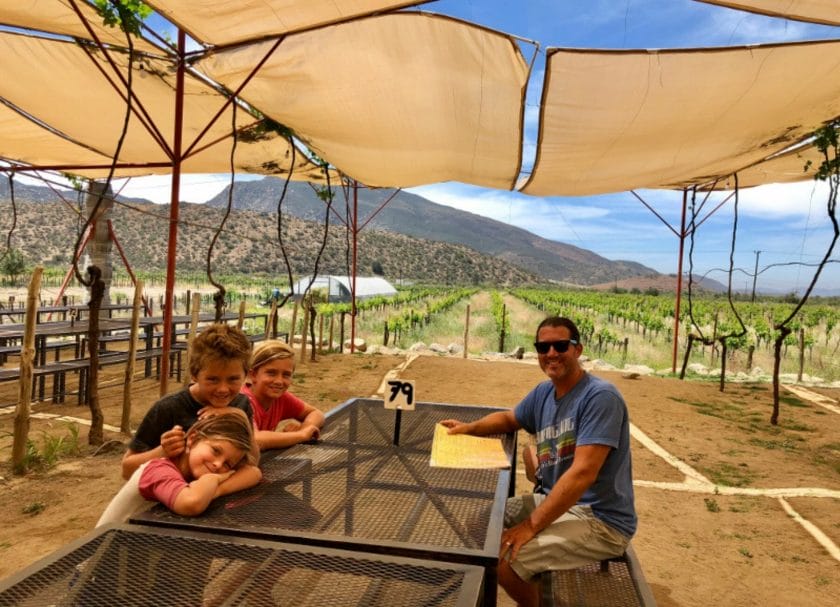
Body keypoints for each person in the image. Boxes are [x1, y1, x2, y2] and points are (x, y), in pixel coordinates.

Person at [441, 316, 636, 607]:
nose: (551, 354)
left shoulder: (600, 397)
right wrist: (468, 427)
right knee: (481, 525)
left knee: (506, 562)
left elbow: (583, 474)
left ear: (578, 350)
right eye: (543, 347)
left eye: (560, 345)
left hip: (601, 519)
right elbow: (510, 418)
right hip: (556, 501)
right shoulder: (544, 393)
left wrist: (531, 526)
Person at [121, 323, 257, 490]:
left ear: (246, 375)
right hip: (168, 504)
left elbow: (252, 461)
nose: (223, 389)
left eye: (233, 379)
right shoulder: (168, 408)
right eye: (213, 379)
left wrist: (239, 416)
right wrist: (162, 452)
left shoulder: (241, 405)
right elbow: (127, 470)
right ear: (194, 374)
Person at [99, 414, 260, 525]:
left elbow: (253, 472)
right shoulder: (157, 469)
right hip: (97, 568)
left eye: (228, 464)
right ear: (193, 438)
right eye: (215, 451)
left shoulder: (193, 472)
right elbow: (191, 503)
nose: (218, 464)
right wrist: (212, 480)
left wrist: (216, 490)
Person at [241, 339, 325, 450]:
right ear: (253, 375)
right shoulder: (243, 401)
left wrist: (305, 428)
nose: (279, 381)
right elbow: (255, 439)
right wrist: (301, 435)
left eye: (286, 375)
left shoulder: (281, 398)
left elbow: (316, 413)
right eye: (271, 373)